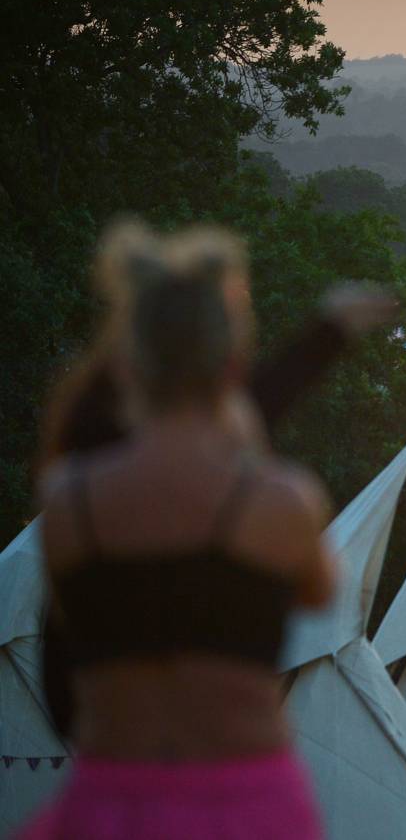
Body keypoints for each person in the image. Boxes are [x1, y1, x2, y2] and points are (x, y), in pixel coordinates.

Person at [27, 223, 338, 836]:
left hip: (110, 797)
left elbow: (79, 624)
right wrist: (248, 440)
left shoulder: (68, 503)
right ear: (231, 361)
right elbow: (317, 592)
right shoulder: (281, 501)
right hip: (250, 798)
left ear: (128, 361)